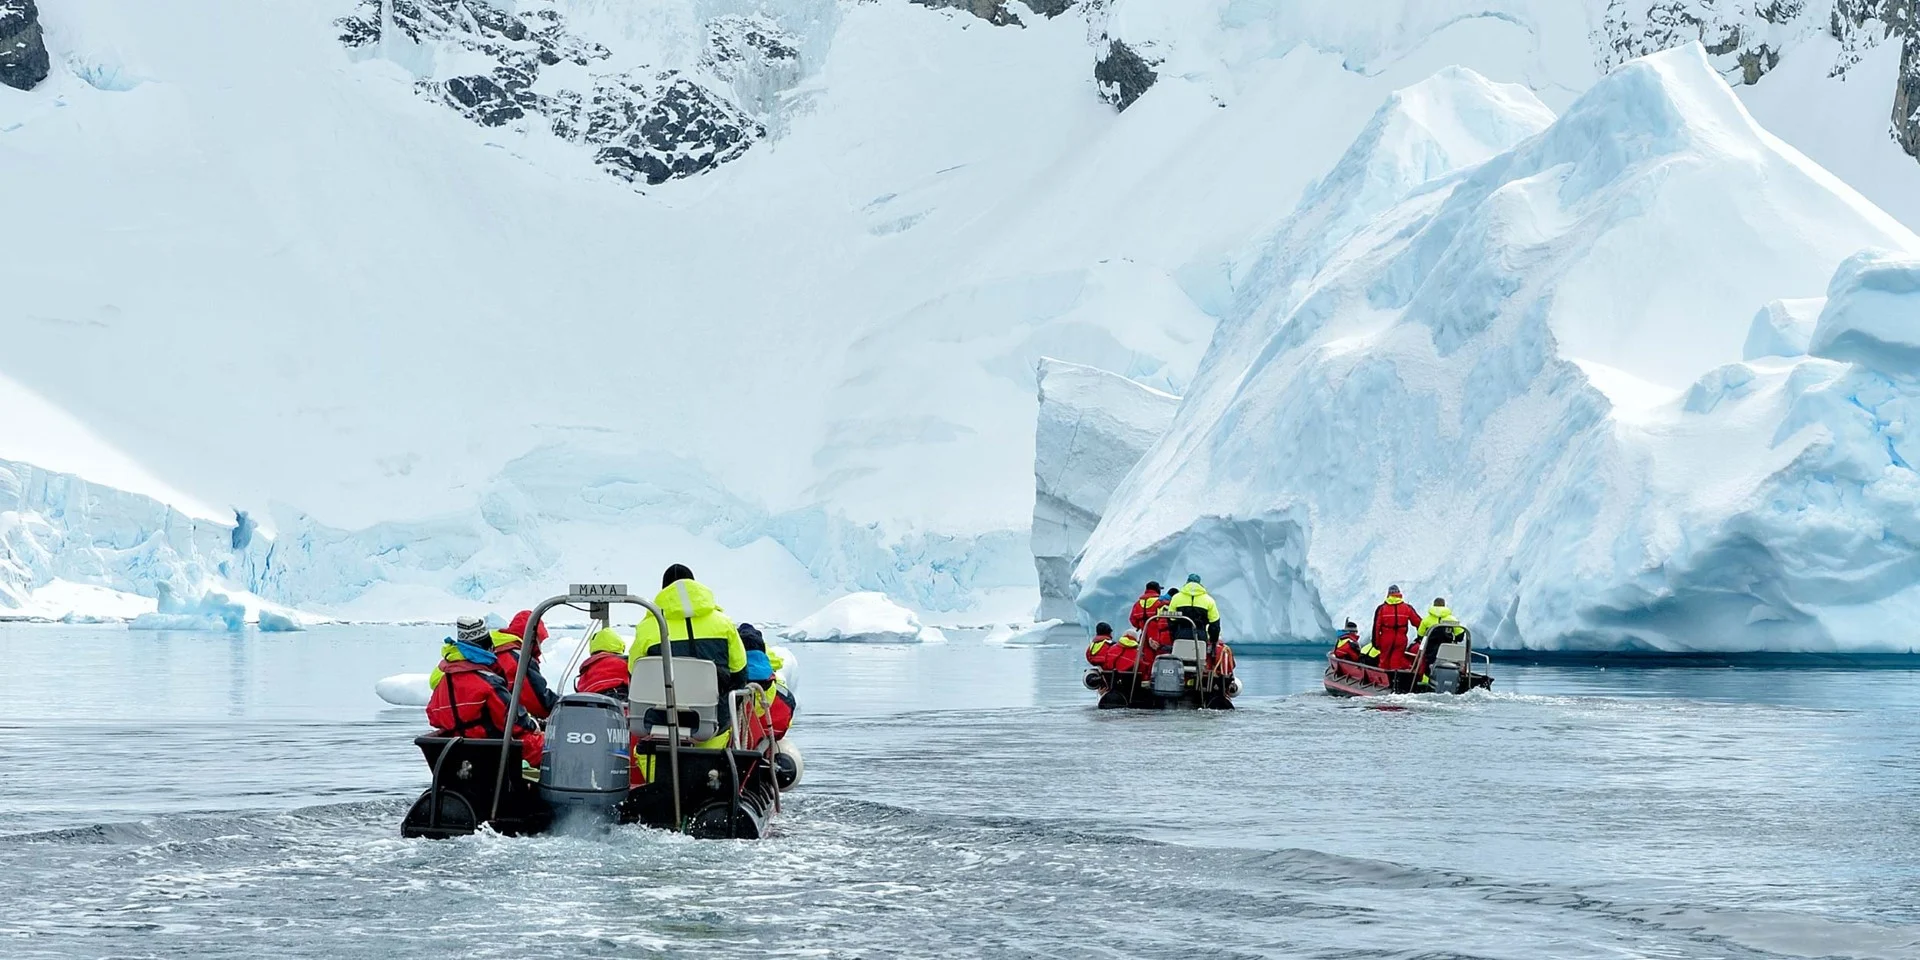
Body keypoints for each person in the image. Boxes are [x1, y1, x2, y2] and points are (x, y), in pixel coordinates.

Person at [425, 616, 544, 765]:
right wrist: (533, 724)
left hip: (458, 754)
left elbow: (434, 716)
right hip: (495, 752)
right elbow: (513, 722)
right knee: (549, 745)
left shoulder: (444, 681)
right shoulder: (488, 683)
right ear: (486, 646)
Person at [491, 609, 558, 720]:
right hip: (510, 725)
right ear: (533, 637)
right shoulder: (519, 659)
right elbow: (538, 702)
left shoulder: (493, 650)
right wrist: (563, 704)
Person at [1369, 585, 1421, 671]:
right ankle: (1395, 680)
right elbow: (1418, 623)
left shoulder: (1382, 608)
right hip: (1401, 639)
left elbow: (1376, 628)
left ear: (1388, 594)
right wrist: (1420, 638)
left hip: (1386, 638)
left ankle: (1384, 680)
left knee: (1384, 661)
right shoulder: (1407, 608)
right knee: (1396, 661)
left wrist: (1376, 643)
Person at [1166, 573, 1222, 644]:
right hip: (1200, 636)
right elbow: (1215, 624)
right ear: (1199, 584)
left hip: (1181, 635)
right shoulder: (1209, 600)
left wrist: (1174, 635)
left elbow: (1171, 619)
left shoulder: (1176, 598)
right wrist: (1213, 640)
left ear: (1187, 582)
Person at [575, 627, 630, 697]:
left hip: (590, 700)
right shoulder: (623, 663)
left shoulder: (586, 668)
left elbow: (580, 689)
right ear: (620, 646)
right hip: (618, 697)